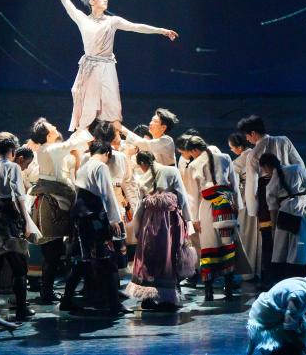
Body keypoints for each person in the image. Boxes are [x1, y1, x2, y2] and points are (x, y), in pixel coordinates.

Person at [56, 0, 178, 132]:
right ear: (91, 1)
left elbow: (136, 26)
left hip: (107, 67)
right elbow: (65, 1)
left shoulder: (112, 21)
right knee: (88, 107)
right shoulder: (82, 19)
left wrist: (161, 30)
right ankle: (83, 138)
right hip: (90, 68)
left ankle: (115, 137)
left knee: (111, 106)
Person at [62, 123, 128, 314]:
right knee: (106, 260)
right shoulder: (100, 166)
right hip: (94, 217)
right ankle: (114, 304)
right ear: (107, 153)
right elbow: (107, 194)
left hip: (82, 218)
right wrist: (114, 220)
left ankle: (67, 299)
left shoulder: (84, 166)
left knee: (83, 261)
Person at [238, 116, 306, 287]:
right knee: (291, 235)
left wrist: (252, 209)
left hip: (267, 194)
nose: (247, 139)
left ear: (253, 133)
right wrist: (302, 185)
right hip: (289, 190)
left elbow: (252, 183)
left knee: (269, 238)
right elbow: (299, 164)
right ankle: (290, 274)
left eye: (247, 136)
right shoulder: (284, 140)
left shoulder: (254, 153)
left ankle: (270, 275)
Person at [0, 137, 40, 321]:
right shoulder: (12, 167)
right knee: (18, 263)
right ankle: (21, 308)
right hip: (5, 215)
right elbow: (19, 194)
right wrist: (26, 220)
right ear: (13, 151)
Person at [126, 151, 196, 311]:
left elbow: (140, 206)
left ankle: (147, 298)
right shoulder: (172, 171)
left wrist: (137, 228)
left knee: (149, 258)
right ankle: (167, 299)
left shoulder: (141, 178)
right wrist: (188, 221)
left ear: (142, 164)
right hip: (170, 222)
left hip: (149, 222)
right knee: (168, 257)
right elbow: (182, 198)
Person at [28, 117, 86, 304]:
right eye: (50, 126)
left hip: (55, 201)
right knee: (52, 252)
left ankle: (47, 291)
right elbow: (74, 142)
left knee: (54, 252)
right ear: (47, 135)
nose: (54, 126)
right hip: (51, 203)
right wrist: (84, 126)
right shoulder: (50, 149)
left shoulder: (48, 150)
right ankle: (46, 293)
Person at [186, 136, 241, 301]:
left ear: (194, 150)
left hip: (207, 207)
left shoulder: (194, 165)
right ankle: (228, 288)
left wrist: (194, 219)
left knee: (208, 247)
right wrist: (237, 206)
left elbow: (193, 196)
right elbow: (234, 184)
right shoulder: (225, 157)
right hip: (226, 204)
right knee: (227, 245)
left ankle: (208, 291)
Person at [246, 264, 306, 355]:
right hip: (264, 323)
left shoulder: (304, 283)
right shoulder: (300, 293)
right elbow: (288, 329)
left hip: (267, 314)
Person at [260, 153, 306, 280]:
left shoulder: (271, 182)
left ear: (266, 166)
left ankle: (281, 278)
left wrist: (274, 227)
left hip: (284, 214)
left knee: (281, 248)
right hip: (301, 212)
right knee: (300, 247)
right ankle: (298, 277)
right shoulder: (296, 169)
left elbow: (273, 208)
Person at [228, 132, 260, 282]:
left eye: (232, 148)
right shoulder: (256, 153)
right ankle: (258, 269)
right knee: (257, 235)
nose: (231, 150)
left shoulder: (239, 161)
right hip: (259, 198)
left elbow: (234, 185)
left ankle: (248, 272)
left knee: (246, 235)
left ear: (239, 147)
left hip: (246, 200)